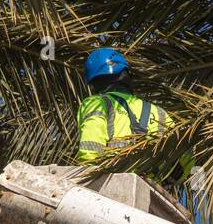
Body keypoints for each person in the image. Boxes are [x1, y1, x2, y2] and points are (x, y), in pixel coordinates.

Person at [75, 48, 188, 178]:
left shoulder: (97, 103)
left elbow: (91, 150)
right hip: (149, 192)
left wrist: (85, 179)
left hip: (109, 184)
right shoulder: (158, 112)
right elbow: (183, 158)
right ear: (127, 74)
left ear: (93, 83)